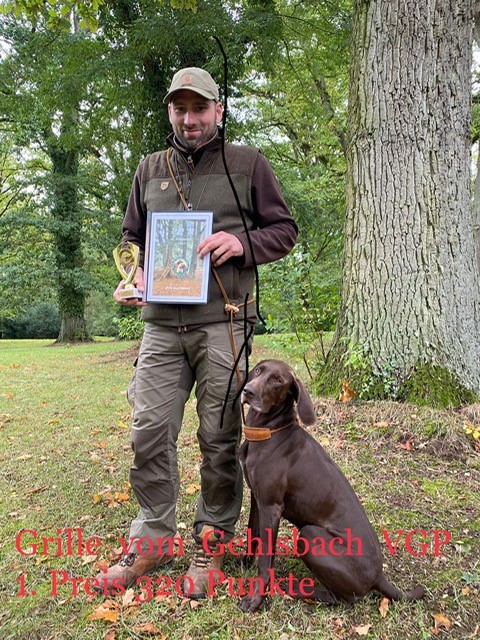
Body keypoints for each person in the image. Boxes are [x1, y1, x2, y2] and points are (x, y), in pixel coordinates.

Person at [96, 67, 298, 598]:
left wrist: (242, 244)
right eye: (180, 108)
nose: (190, 119)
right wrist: (135, 275)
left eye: (200, 108)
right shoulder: (149, 169)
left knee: (220, 437)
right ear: (170, 111)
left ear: (218, 111)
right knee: (148, 431)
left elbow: (285, 230)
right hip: (161, 326)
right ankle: (153, 539)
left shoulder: (248, 163)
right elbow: (132, 237)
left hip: (223, 323)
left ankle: (212, 541)